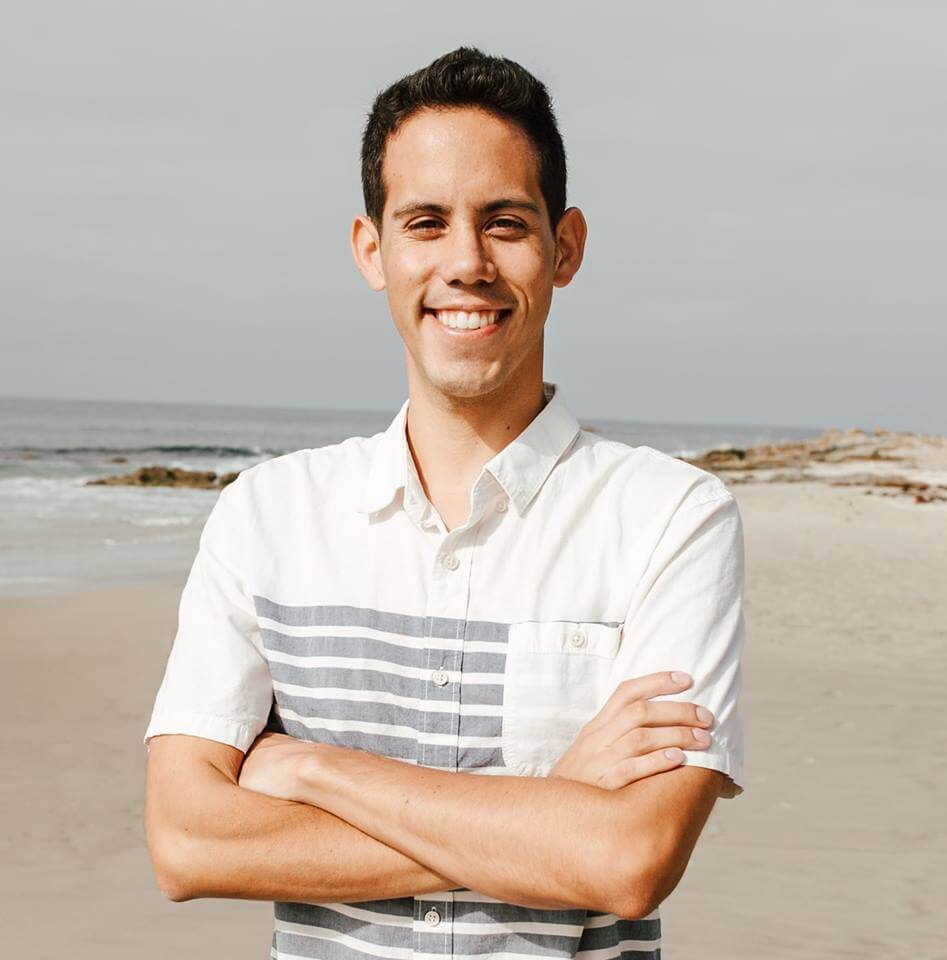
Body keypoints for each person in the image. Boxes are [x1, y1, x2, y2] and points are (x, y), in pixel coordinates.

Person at [143, 46, 746, 960]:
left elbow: (627, 860)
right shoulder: (264, 516)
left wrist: (313, 768)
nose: (467, 262)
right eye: (426, 223)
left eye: (504, 222)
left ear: (566, 247)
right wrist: (548, 811)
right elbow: (187, 845)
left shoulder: (672, 517)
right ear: (372, 250)